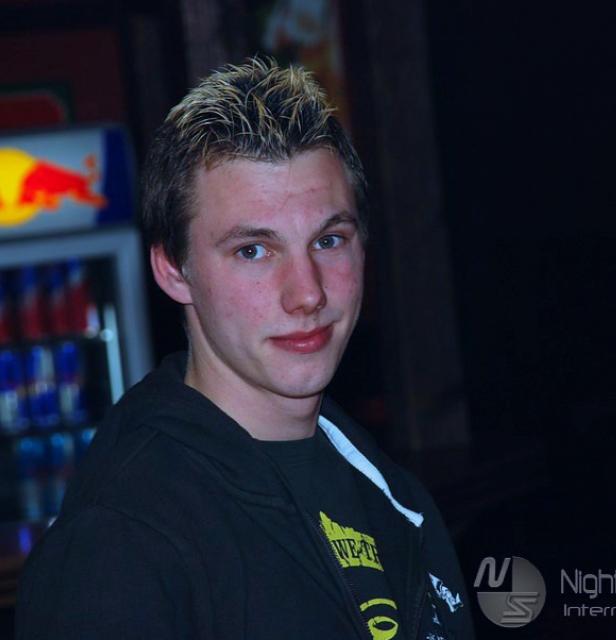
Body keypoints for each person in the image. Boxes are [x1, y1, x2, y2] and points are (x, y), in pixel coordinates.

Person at [16, 57, 475, 640]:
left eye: (329, 240)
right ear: (173, 270)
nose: (307, 293)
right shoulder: (118, 542)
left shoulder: (393, 493)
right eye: (253, 251)